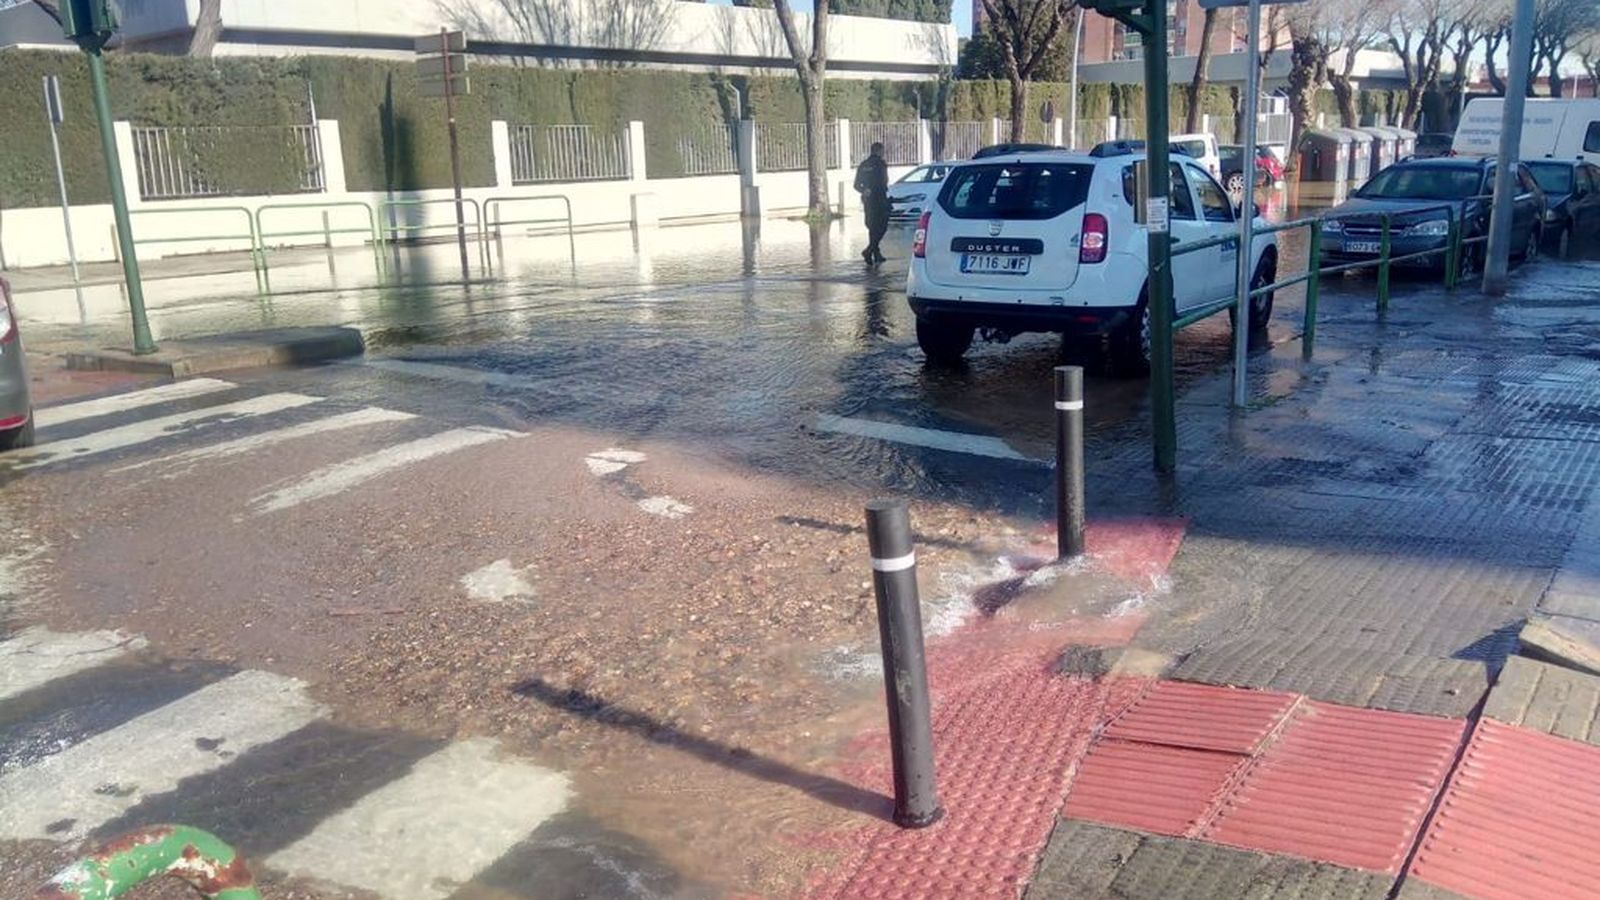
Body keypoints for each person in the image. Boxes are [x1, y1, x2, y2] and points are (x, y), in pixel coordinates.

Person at [854, 142, 890, 265]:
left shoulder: (863, 165)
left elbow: (856, 184)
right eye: (882, 151)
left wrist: (864, 190)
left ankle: (876, 253)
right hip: (880, 199)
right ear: (879, 151)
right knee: (882, 226)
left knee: (872, 226)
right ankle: (869, 250)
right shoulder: (881, 164)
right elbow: (884, 181)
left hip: (868, 200)